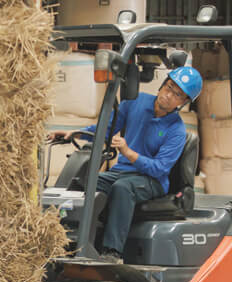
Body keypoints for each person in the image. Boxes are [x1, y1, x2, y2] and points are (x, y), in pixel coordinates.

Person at [47, 66, 203, 263]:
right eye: (169, 87)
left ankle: (112, 253)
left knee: (123, 188)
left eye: (177, 94)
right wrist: (76, 133)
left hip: (151, 180)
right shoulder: (136, 102)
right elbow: (106, 128)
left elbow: (160, 168)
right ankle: (66, 242)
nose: (169, 95)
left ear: (184, 102)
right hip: (122, 172)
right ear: (163, 84)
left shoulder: (177, 131)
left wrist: (129, 153)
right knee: (83, 183)